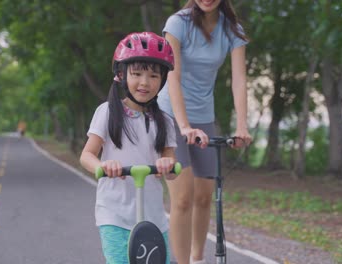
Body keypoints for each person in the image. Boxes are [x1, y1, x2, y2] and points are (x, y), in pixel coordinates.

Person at [157, 1, 252, 263]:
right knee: (184, 198)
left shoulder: (232, 29)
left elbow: (239, 79)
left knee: (203, 196)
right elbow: (171, 77)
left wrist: (242, 125)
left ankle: (198, 259)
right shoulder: (178, 24)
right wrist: (184, 125)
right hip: (170, 115)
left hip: (204, 117)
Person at [80, 32, 177, 264]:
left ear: (162, 80)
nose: (145, 82)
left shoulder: (165, 121)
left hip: (154, 217)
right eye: (137, 74)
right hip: (115, 215)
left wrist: (167, 164)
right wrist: (102, 165)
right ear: (121, 75)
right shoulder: (107, 112)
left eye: (153, 75)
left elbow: (172, 171)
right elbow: (87, 155)